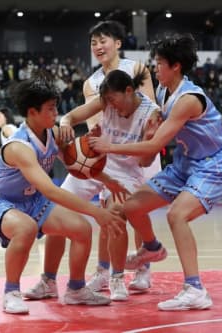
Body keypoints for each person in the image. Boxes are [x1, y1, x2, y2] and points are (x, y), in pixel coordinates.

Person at [89, 34, 222, 311]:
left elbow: (156, 145)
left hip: (212, 166)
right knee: (127, 207)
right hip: (184, 163)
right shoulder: (163, 92)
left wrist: (110, 146)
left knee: (176, 215)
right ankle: (152, 248)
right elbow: (155, 122)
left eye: (159, 64)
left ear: (176, 66)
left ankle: (195, 289)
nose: (155, 69)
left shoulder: (188, 99)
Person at [0, 76, 126, 314]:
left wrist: (109, 181)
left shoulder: (54, 134)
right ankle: (11, 292)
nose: (56, 112)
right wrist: (96, 211)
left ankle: (75, 289)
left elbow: (78, 163)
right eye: (50, 108)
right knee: (25, 228)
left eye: (56, 106)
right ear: (32, 112)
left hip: (32, 201)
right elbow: (50, 190)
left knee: (82, 229)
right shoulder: (19, 147)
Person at [38, 20, 160, 295]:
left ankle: (142, 269)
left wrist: (144, 142)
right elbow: (95, 116)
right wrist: (92, 148)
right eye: (93, 43)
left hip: (137, 151)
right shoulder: (91, 83)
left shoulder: (136, 69)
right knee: (102, 211)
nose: (98, 47)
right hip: (105, 153)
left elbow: (151, 113)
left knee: (137, 213)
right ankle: (100, 273)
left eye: (103, 41)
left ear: (118, 43)